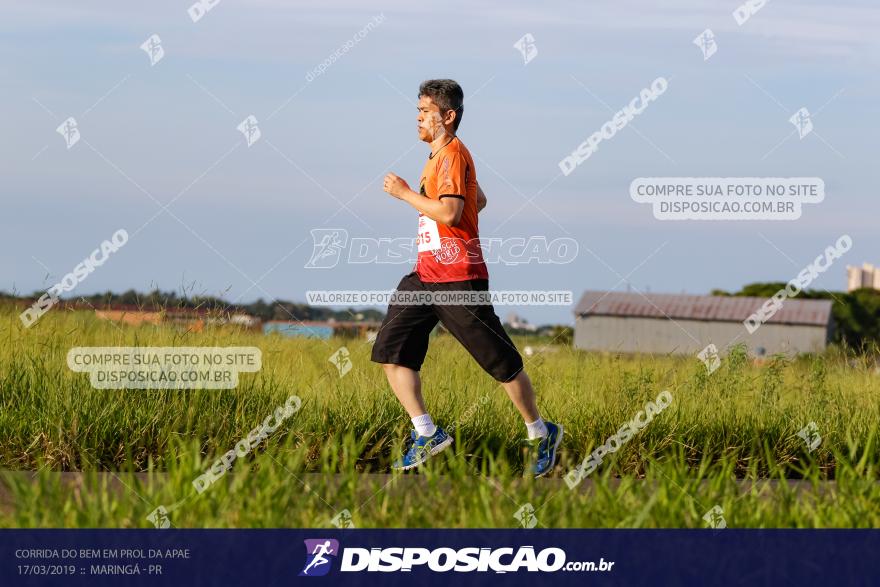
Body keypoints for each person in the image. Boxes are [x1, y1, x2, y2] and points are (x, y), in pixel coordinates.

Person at [371, 79, 562, 477]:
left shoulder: (452, 155)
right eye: (418, 111)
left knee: (499, 362)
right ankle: (426, 433)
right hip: (425, 276)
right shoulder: (438, 157)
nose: (419, 118)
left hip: (459, 277)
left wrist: (406, 193)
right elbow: (479, 200)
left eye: (425, 112)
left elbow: (452, 213)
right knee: (390, 349)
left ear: (448, 116)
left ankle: (540, 432)